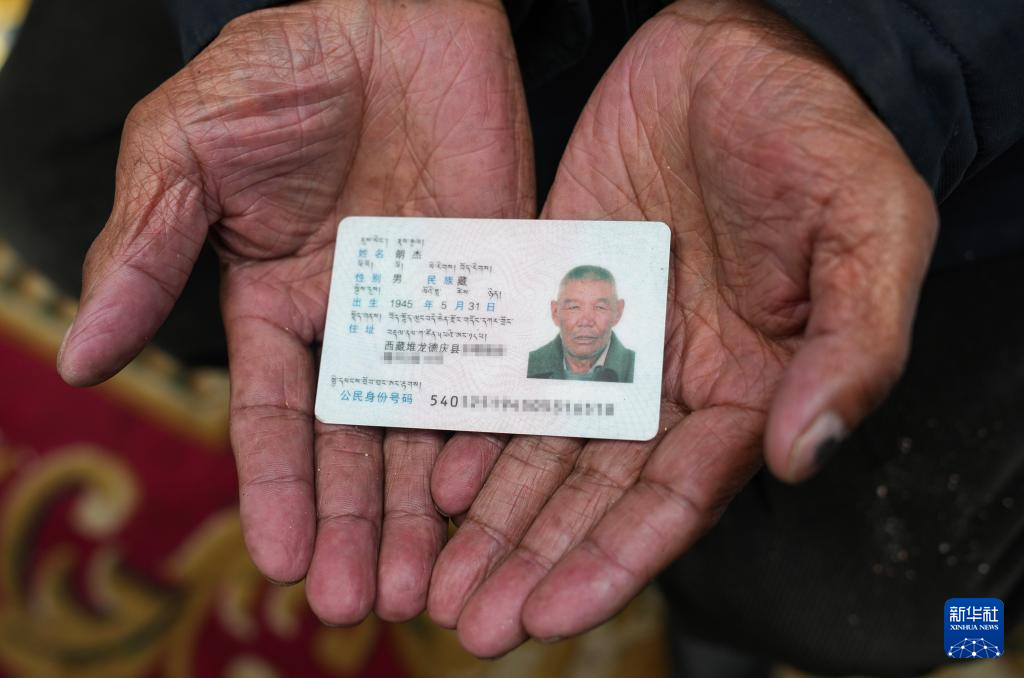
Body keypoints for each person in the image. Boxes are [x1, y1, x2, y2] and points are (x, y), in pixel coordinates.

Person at [3, 0, 1015, 674]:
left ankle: (725, 621)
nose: (584, 319)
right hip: (398, 67)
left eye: (595, 308)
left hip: (885, 91)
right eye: (573, 307)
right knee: (54, 185)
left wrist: (859, 44)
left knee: (872, 605)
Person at [527, 265, 634, 383]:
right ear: (555, 312)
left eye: (599, 307)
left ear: (618, 312)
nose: (585, 322)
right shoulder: (528, 365)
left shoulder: (636, 368)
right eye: (574, 307)